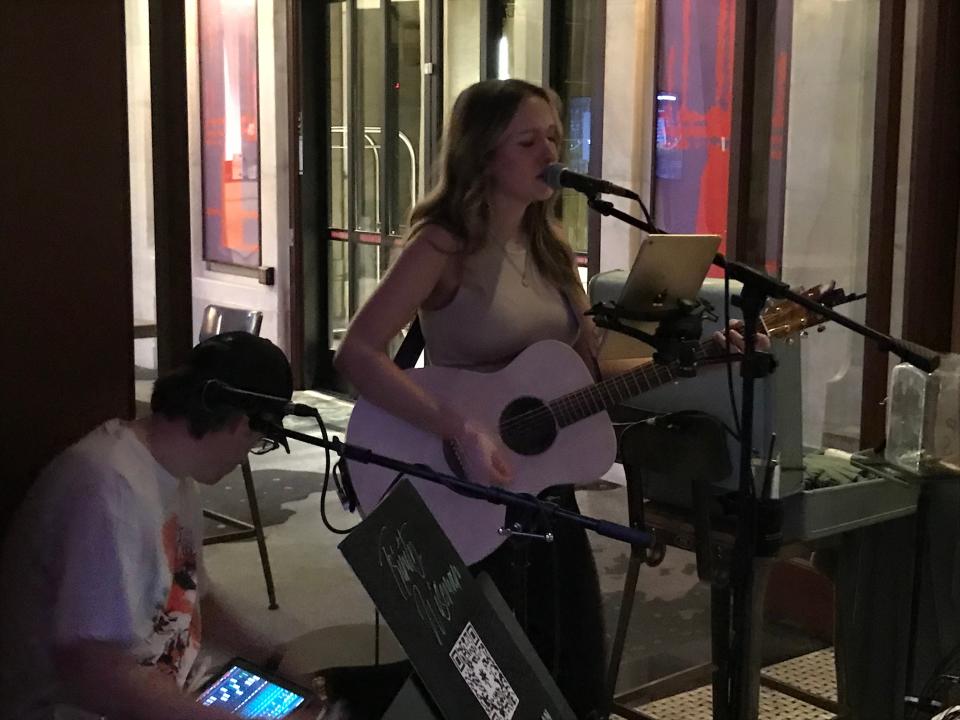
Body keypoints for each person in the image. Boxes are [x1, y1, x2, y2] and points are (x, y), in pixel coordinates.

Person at [0, 332, 303, 720]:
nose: (246, 458)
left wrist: (273, 659)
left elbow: (196, 598)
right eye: (259, 443)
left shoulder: (174, 474)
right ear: (242, 425)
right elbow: (93, 671)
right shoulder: (106, 487)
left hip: (168, 689)